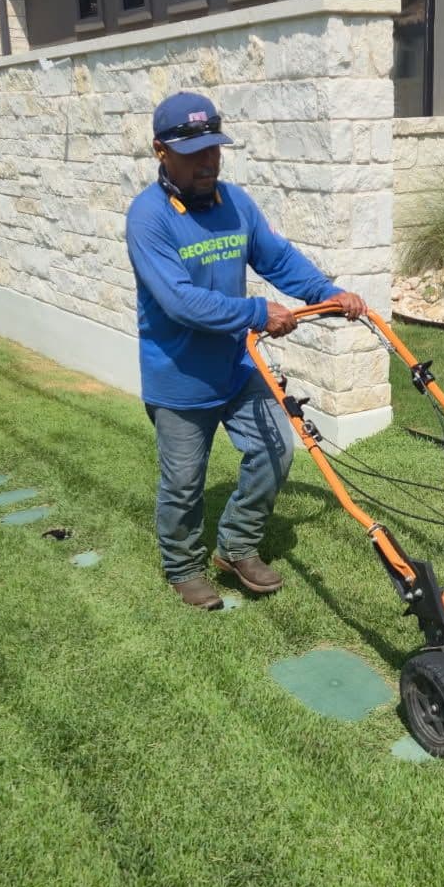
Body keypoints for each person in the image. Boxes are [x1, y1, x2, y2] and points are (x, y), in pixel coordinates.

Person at [126, 91, 366, 611]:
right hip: (179, 375)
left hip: (236, 365)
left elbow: (275, 257)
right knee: (185, 482)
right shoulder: (148, 217)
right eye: (194, 154)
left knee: (275, 449)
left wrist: (328, 293)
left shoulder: (235, 203)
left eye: (214, 150)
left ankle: (235, 546)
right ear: (160, 152)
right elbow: (179, 301)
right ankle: (183, 565)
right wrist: (258, 313)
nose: (207, 163)